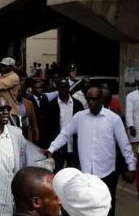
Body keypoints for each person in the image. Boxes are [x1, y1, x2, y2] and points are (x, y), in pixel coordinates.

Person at [45, 87, 136, 216]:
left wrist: (131, 167)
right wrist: (51, 149)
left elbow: (124, 145)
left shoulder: (113, 119)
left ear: (101, 100)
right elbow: (65, 134)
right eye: (89, 99)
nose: (91, 102)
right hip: (86, 173)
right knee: (86, 206)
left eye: (94, 99)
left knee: (108, 205)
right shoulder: (79, 117)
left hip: (107, 173)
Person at [44, 79, 83, 172]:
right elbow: (46, 127)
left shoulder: (77, 104)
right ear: (58, 88)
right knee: (57, 172)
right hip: (58, 146)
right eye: (62, 88)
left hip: (74, 145)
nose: (64, 90)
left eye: (66, 87)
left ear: (69, 88)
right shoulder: (52, 105)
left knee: (73, 173)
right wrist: (49, 146)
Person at [26, 81, 57, 148]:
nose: (39, 90)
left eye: (41, 88)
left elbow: (57, 93)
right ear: (33, 89)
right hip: (36, 129)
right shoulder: (29, 100)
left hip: (46, 130)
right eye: (37, 88)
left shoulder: (46, 97)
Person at [126, 76, 139, 153]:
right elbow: (128, 112)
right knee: (137, 153)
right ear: (137, 83)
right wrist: (131, 126)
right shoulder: (131, 96)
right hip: (136, 130)